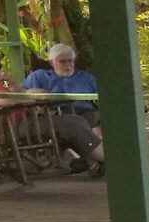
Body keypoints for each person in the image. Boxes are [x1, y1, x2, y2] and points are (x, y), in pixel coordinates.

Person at [19, 43, 104, 176]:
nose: (67, 65)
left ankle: (92, 162)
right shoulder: (40, 76)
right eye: (62, 61)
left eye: (70, 61)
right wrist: (35, 93)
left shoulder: (85, 78)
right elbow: (21, 93)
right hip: (57, 114)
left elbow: (103, 95)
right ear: (52, 62)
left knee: (91, 123)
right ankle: (97, 161)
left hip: (86, 113)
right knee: (79, 126)